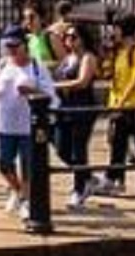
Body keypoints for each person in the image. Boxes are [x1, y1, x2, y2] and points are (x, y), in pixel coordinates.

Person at [0, 32, 53, 217]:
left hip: (28, 125)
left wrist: (32, 90)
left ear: (25, 45)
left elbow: (50, 94)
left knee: (28, 164)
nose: (12, 50)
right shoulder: (2, 65)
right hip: (5, 123)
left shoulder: (37, 67)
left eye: (16, 46)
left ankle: (26, 198)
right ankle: (16, 190)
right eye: (9, 47)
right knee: (3, 161)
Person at [48, 25, 98, 210]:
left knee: (78, 149)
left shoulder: (88, 57)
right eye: (66, 37)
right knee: (61, 147)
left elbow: (82, 82)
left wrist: (57, 86)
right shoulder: (67, 58)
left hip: (82, 107)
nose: (69, 40)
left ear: (83, 38)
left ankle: (79, 190)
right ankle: (87, 176)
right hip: (64, 108)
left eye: (73, 36)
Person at [103, 23, 135, 196]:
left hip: (134, 106)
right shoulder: (119, 52)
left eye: (116, 29)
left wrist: (123, 100)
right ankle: (114, 179)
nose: (113, 33)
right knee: (117, 144)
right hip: (119, 106)